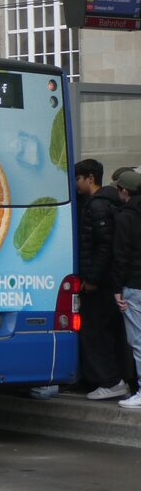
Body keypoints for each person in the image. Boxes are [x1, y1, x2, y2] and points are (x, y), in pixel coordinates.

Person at [74, 159, 130, 401]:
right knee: (107, 331)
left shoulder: (97, 206)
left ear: (89, 178)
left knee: (94, 331)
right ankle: (114, 379)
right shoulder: (107, 202)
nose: (75, 184)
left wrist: (92, 279)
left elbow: (103, 247)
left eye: (77, 179)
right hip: (110, 281)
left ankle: (111, 381)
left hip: (100, 283)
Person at [113, 170, 141, 409]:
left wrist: (116, 290)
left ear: (125, 191)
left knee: (138, 341)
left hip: (134, 284)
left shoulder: (126, 217)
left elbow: (120, 256)